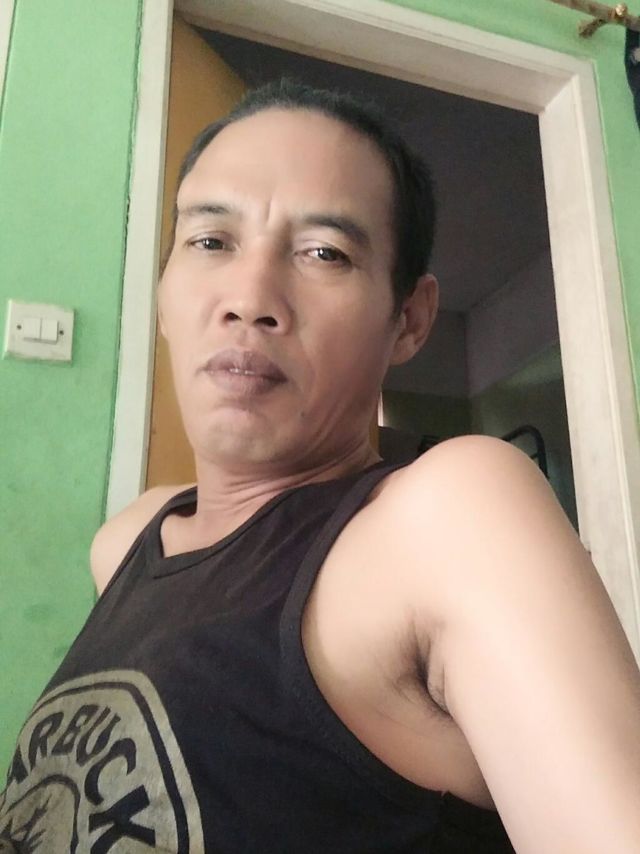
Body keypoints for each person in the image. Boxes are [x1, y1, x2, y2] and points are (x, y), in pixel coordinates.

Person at [2, 80, 640, 854]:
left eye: (325, 254)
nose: (250, 299)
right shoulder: (126, 543)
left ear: (409, 320)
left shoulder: (445, 520)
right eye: (211, 241)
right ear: (164, 291)